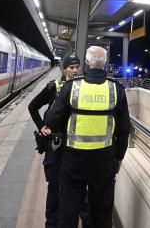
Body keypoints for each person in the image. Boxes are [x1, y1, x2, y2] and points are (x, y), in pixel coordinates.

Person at [44, 46, 131, 228]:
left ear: (87, 64)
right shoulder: (116, 89)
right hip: (104, 161)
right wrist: (119, 158)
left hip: (73, 159)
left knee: (68, 210)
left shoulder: (71, 87)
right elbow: (124, 129)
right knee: (101, 211)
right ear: (105, 64)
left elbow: (51, 121)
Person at [28, 54, 86, 228]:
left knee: (74, 186)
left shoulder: (83, 88)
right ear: (64, 69)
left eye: (77, 67)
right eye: (71, 67)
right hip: (56, 143)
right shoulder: (54, 86)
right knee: (54, 185)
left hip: (74, 144)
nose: (75, 71)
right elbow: (33, 106)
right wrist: (42, 126)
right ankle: (51, 223)